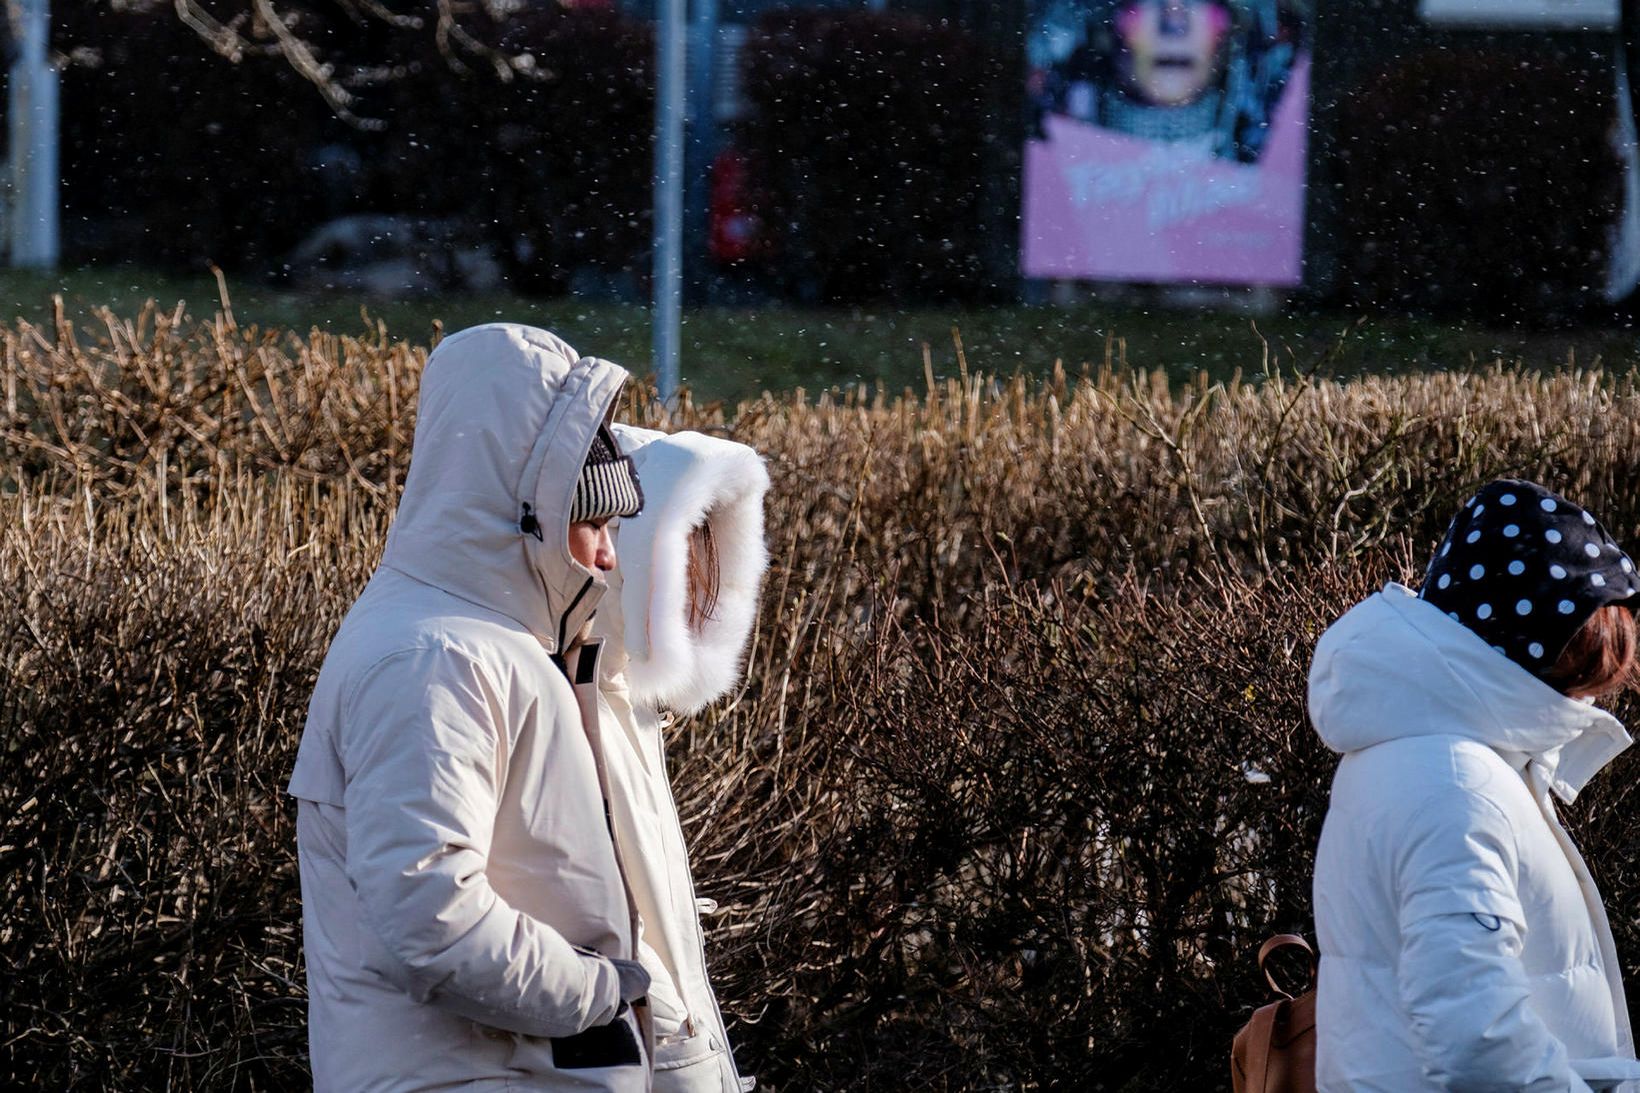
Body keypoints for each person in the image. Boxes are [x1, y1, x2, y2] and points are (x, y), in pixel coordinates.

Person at [288, 323, 656, 1091]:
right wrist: (597, 991)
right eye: (592, 522)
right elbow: (431, 915)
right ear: (529, 514)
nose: (609, 553)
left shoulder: (486, 644)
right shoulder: (436, 659)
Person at [1309, 478, 1640, 1091]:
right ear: (1542, 647)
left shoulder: (1415, 750)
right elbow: (1476, 1039)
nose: (1596, 696)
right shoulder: (1457, 788)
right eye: (1590, 667)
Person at [591, 425, 771, 1093]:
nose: (703, 581)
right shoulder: (580, 698)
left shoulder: (624, 700)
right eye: (684, 550)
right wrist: (683, 1049)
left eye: (715, 551)